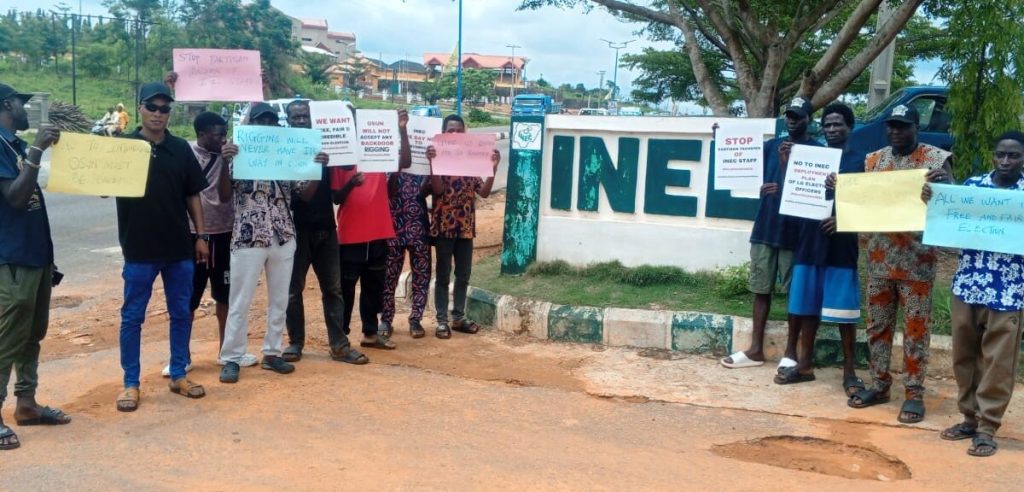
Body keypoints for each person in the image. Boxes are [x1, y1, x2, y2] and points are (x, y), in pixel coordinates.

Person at [846, 104, 953, 423]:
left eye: (902, 126)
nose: (895, 131)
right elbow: (861, 198)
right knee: (877, 326)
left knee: (915, 330)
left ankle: (914, 393)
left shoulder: (936, 160)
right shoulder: (874, 160)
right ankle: (880, 385)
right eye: (891, 126)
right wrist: (838, 191)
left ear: (916, 128)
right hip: (879, 259)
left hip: (917, 263)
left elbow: (951, 204)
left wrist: (940, 190)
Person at [115, 82, 210, 412]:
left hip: (178, 248)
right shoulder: (123, 147)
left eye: (164, 108)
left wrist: (201, 235)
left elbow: (192, 195)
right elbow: (100, 185)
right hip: (138, 249)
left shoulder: (181, 149)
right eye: (152, 107)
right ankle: (130, 383)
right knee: (132, 317)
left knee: (181, 313)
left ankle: (179, 374)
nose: (158, 114)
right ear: (139, 108)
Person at [929, 130, 1024, 457]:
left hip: (1009, 289)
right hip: (968, 284)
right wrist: (939, 197)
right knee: (964, 354)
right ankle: (968, 417)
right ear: (993, 156)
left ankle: (987, 426)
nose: (1006, 161)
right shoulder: (972, 188)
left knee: (998, 360)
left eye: (1014, 155)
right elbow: (948, 221)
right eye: (1001, 154)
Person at [218, 103, 327, 383]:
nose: (266, 124)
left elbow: (304, 195)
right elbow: (223, 196)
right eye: (260, 120)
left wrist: (317, 168)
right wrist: (223, 161)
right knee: (240, 300)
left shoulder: (285, 157)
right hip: (248, 235)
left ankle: (272, 352)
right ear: (251, 125)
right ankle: (231, 357)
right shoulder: (238, 154)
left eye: (270, 120)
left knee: (279, 299)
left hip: (282, 235)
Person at [721, 97, 818, 372]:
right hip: (765, 227)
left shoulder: (816, 151)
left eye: (797, 116)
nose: (791, 120)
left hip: (795, 233)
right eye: (789, 115)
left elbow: (810, 192)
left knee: (793, 293)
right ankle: (755, 349)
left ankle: (790, 352)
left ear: (808, 120)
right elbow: (744, 166)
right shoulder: (770, 146)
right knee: (760, 289)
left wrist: (787, 169)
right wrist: (721, 136)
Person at [159, 112, 258, 377]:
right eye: (217, 133)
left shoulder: (231, 155)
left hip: (225, 234)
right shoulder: (185, 153)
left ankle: (227, 352)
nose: (223, 137)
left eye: (225, 132)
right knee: (187, 298)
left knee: (225, 296)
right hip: (191, 236)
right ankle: (182, 356)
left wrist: (227, 162)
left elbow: (226, 197)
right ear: (202, 134)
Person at [0, 83, 71, 450]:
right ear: (7, 104)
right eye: (22, 103)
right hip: (12, 258)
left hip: (35, 257)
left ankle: (26, 404)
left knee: (31, 335)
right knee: (6, 338)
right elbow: (14, 198)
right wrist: (36, 150)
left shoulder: (11, 143)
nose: (28, 109)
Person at [779, 103, 865, 391]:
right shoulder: (809, 155)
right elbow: (792, 193)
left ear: (850, 127)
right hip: (809, 238)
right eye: (827, 125)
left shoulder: (860, 162)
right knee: (806, 306)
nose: (832, 129)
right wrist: (785, 166)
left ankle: (849, 372)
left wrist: (843, 220)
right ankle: (804, 365)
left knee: (844, 313)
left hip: (841, 244)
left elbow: (868, 205)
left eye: (838, 124)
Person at [283, 100, 368, 365]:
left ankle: (339, 346)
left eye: (304, 116)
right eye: (295, 117)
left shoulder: (327, 145)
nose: (300, 121)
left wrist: (347, 122)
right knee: (293, 290)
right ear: (288, 121)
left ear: (313, 118)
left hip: (326, 229)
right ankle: (295, 342)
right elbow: (301, 196)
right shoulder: (284, 150)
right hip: (296, 230)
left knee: (333, 289)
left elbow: (347, 163)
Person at [330, 110, 408, 350]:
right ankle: (340, 337)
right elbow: (335, 197)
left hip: (378, 231)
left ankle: (370, 333)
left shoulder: (381, 152)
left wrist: (402, 129)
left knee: (373, 285)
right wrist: (352, 183)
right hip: (351, 233)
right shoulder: (341, 159)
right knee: (347, 287)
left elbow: (404, 162)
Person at [425, 114, 500, 339]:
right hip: (444, 227)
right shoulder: (439, 159)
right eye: (451, 130)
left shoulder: (470, 163)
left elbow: (484, 192)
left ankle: (458, 317)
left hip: (465, 227)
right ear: (444, 133)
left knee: (464, 274)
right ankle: (441, 320)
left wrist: (494, 168)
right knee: (443, 275)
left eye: (459, 130)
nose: (455, 134)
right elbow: (437, 190)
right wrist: (432, 163)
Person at [381, 117, 432, 339]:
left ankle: (416, 319)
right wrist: (396, 168)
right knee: (389, 275)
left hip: (418, 225)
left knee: (422, 274)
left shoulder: (423, 167)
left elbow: (425, 193)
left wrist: (433, 166)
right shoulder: (386, 165)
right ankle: (386, 319)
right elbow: (388, 192)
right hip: (393, 226)